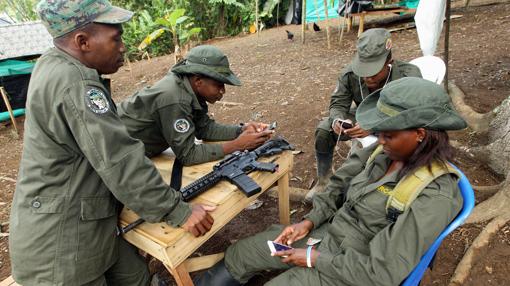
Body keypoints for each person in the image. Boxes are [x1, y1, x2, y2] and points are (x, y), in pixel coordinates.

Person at [9, 1, 214, 285]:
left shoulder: (52, 63)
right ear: (83, 42)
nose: (123, 46)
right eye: (116, 38)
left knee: (137, 278)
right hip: (62, 245)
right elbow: (119, 159)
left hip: (82, 221)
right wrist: (177, 210)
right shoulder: (77, 83)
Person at [195, 77, 467, 286]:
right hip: (326, 235)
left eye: (388, 135)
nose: (379, 141)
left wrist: (314, 260)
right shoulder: (380, 152)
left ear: (420, 133)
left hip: (355, 269)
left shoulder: (434, 194)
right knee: (242, 253)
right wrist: (310, 221)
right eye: (378, 133)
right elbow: (337, 187)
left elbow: (383, 272)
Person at [308, 28, 422, 200]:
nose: (367, 77)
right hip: (363, 114)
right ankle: (323, 181)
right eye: (363, 70)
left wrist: (375, 127)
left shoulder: (409, 76)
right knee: (324, 129)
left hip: (395, 122)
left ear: (388, 62)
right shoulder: (349, 74)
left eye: (373, 71)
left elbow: (411, 115)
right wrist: (337, 120)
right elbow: (338, 102)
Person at [118, 45, 273, 166]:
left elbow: (205, 129)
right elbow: (188, 155)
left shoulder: (190, 88)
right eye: (218, 85)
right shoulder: (175, 98)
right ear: (198, 81)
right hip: (117, 152)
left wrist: (241, 130)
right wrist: (236, 145)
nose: (223, 91)